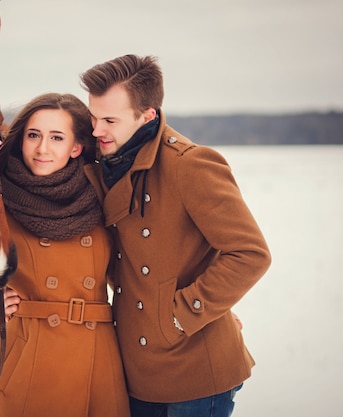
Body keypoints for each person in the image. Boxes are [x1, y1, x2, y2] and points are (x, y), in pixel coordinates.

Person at [77, 54, 272, 417]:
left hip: (195, 368)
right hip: (136, 366)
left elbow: (250, 253)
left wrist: (180, 316)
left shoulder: (190, 165)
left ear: (147, 116)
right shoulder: (107, 161)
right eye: (93, 117)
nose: (96, 130)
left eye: (110, 120)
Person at [0, 93, 130, 417]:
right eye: (34, 135)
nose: (43, 148)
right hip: (27, 358)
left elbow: (141, 267)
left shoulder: (104, 194)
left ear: (76, 147)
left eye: (57, 137)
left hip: (98, 362)